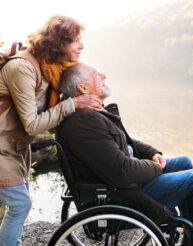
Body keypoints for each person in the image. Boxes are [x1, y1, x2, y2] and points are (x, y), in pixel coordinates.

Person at [57, 63, 193, 246]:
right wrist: (155, 167)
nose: (104, 76)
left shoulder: (92, 113)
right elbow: (122, 171)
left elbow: (126, 141)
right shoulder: (83, 122)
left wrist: (152, 153)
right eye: (97, 75)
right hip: (124, 193)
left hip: (126, 182)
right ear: (83, 87)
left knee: (184, 162)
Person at [0, 15, 102, 246]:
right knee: (19, 204)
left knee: (18, 202)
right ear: (58, 43)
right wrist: (73, 104)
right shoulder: (23, 68)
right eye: (76, 40)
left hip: (13, 148)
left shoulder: (50, 69)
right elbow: (32, 124)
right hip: (2, 147)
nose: (82, 45)